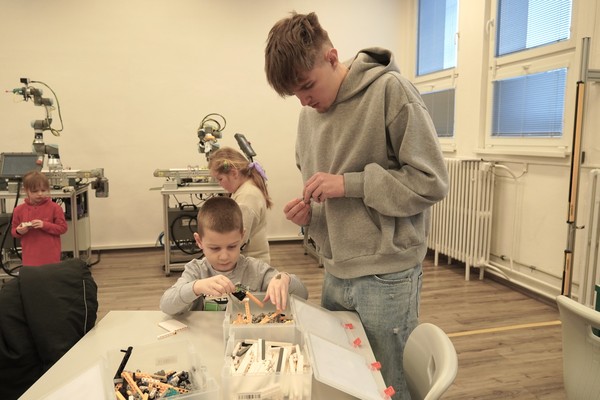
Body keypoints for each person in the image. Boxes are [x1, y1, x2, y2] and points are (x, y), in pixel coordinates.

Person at [264, 12, 449, 398]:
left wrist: (350, 184)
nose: (305, 101)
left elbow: (431, 182)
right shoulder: (308, 117)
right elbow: (325, 197)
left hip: (388, 276)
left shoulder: (390, 91)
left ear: (332, 57)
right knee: (345, 383)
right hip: (335, 272)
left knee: (387, 387)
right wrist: (309, 217)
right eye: (295, 94)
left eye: (307, 86)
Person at [160, 196, 307, 316]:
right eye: (215, 248)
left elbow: (303, 295)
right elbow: (166, 306)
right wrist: (196, 287)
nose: (224, 256)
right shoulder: (196, 271)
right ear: (199, 241)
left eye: (232, 246)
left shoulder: (257, 270)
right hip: (206, 337)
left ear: (242, 236)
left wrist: (284, 279)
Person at [208, 146, 272, 264]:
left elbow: (237, 240)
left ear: (234, 173)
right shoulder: (245, 189)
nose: (220, 184)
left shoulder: (246, 197)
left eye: (220, 179)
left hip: (251, 264)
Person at [11, 171, 68, 266]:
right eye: (35, 191)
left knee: (50, 274)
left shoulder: (55, 208)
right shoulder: (19, 210)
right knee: (32, 275)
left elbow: (62, 228)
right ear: (25, 190)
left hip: (51, 257)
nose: (40, 194)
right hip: (29, 257)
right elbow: (13, 231)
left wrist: (44, 225)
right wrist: (18, 231)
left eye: (43, 190)